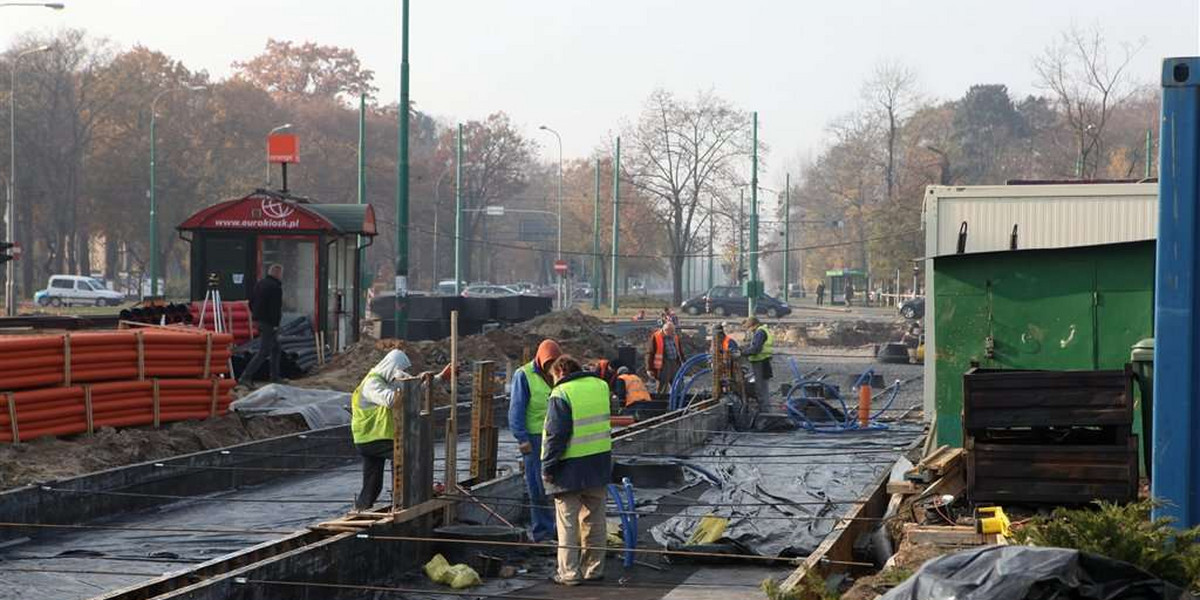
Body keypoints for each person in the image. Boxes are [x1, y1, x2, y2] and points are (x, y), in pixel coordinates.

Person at [542, 354, 613, 586]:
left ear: (561, 371)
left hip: (568, 468)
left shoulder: (561, 393)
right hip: (599, 464)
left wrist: (548, 467)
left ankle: (569, 574)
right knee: (595, 520)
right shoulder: (600, 386)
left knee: (568, 523)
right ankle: (594, 569)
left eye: (553, 377)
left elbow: (556, 435)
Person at [350, 349, 451, 510]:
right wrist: (413, 381)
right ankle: (402, 500)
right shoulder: (372, 384)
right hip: (373, 438)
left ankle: (361, 509)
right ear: (391, 367)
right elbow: (392, 400)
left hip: (372, 438)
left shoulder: (386, 381)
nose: (400, 374)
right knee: (406, 457)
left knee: (373, 482)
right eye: (398, 370)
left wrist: (438, 378)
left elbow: (412, 389)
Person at [507, 339, 561, 542]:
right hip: (534, 438)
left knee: (556, 484)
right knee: (537, 486)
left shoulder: (559, 374)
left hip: (553, 438)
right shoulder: (524, 375)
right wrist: (521, 438)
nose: (551, 370)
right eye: (549, 365)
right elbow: (516, 410)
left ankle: (556, 527)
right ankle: (542, 531)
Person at [237, 263, 284, 388]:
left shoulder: (260, 284)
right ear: (277, 273)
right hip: (269, 323)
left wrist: (255, 316)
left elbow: (251, 302)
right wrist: (275, 324)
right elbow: (275, 308)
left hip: (259, 321)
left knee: (276, 348)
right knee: (264, 351)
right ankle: (246, 376)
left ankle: (275, 377)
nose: (281, 276)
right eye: (281, 274)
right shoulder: (275, 288)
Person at [742, 316, 774, 423]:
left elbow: (756, 349)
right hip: (763, 362)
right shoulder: (762, 330)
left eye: (749, 328)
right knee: (763, 388)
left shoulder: (760, 332)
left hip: (760, 362)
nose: (749, 330)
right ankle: (765, 411)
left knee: (761, 389)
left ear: (753, 325)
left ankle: (765, 414)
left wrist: (742, 353)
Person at [645, 320, 685, 394]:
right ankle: (661, 401)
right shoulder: (656, 337)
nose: (673, 333)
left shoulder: (675, 337)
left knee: (678, 383)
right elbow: (650, 353)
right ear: (666, 330)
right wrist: (649, 368)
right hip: (663, 365)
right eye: (671, 331)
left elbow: (679, 351)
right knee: (662, 386)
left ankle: (677, 400)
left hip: (675, 363)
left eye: (673, 331)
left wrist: (683, 362)